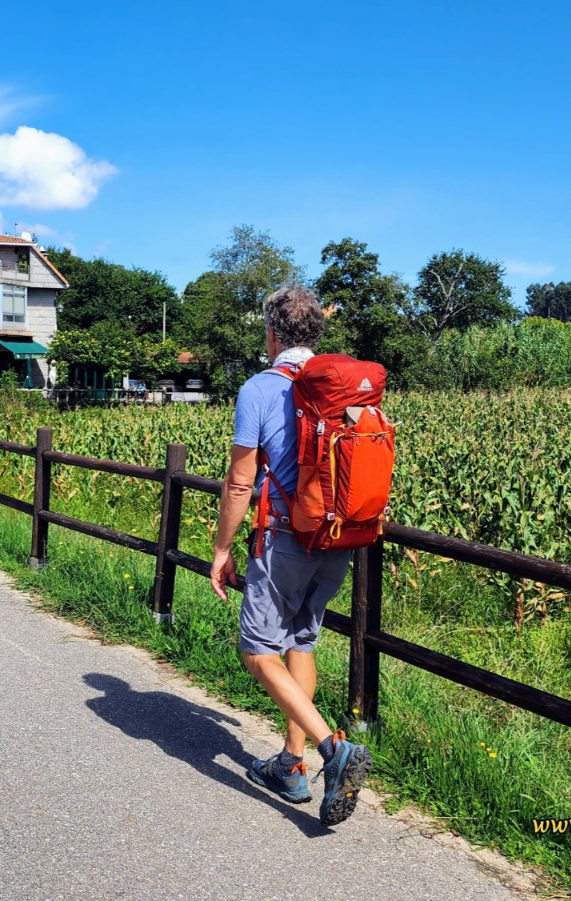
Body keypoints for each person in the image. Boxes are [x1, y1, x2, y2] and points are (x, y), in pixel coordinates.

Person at [209, 282, 372, 827]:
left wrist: (222, 548)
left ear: (272, 333)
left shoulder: (261, 387)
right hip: (337, 536)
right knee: (300, 642)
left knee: (258, 651)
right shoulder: (342, 387)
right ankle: (290, 763)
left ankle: (333, 750)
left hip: (284, 539)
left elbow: (240, 481)